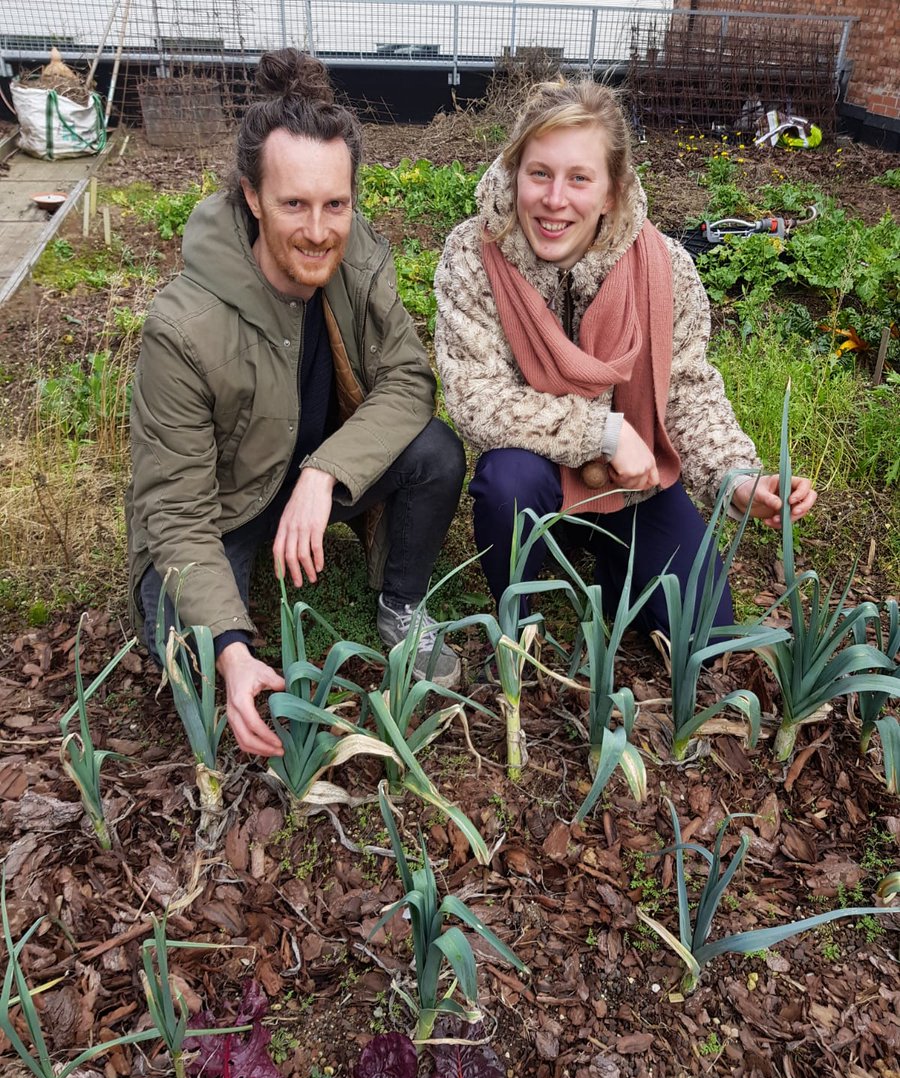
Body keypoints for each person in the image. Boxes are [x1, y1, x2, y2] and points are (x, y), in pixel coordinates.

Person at [127, 49, 465, 758]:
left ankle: (400, 606)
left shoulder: (357, 260)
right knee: (184, 658)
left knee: (435, 452)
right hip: (222, 509)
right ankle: (231, 618)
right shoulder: (182, 329)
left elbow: (409, 379)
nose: (318, 230)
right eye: (294, 205)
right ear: (252, 197)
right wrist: (230, 646)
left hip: (307, 477)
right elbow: (178, 513)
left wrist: (325, 472)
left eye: (335, 204)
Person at [434, 80, 817, 636]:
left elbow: (687, 387)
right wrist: (607, 434)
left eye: (580, 178)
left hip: (634, 485)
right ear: (514, 172)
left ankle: (614, 564)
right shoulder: (475, 255)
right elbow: (476, 399)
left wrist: (736, 476)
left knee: (704, 626)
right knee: (507, 479)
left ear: (612, 191)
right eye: (539, 172)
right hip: (538, 480)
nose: (555, 199)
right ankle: (519, 607)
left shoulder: (664, 267)